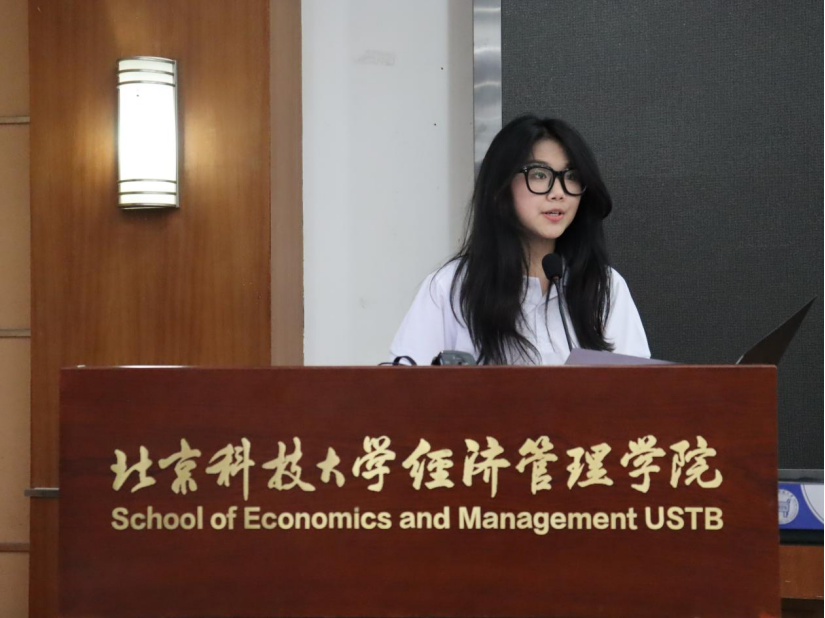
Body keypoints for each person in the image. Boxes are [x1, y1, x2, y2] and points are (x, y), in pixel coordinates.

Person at [390, 115, 650, 366]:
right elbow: (404, 388)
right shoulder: (450, 287)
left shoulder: (605, 287)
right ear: (501, 187)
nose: (558, 193)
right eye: (539, 175)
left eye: (571, 176)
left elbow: (639, 387)